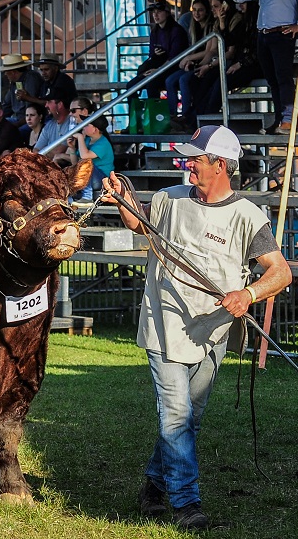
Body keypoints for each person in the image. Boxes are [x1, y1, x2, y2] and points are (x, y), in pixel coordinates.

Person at [103, 125, 290, 531]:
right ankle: (187, 502)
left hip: (215, 330)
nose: (187, 163)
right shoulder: (168, 198)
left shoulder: (248, 216)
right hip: (164, 322)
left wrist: (249, 295)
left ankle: (154, 484)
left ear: (220, 165)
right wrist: (121, 198)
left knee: (190, 419)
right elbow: (138, 225)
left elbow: (280, 272)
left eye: (196, 158)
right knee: (176, 414)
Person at [224, 0, 298, 132]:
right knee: (272, 79)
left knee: (283, 76)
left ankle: (289, 118)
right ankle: (279, 119)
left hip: (282, 32)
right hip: (263, 34)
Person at [125, 1, 190, 98]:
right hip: (157, 67)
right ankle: (135, 112)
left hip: (173, 67)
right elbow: (151, 55)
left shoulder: (177, 31)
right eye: (153, 12)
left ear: (167, 13)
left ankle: (156, 112)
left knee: (151, 84)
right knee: (130, 85)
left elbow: (174, 58)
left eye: (159, 12)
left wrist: (158, 70)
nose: (155, 15)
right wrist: (153, 60)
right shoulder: (155, 31)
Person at [164, 0, 215, 120]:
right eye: (194, 10)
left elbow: (208, 52)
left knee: (183, 80)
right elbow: (193, 48)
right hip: (193, 62)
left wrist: (188, 58)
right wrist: (188, 60)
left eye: (200, 10)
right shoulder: (193, 26)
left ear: (207, 12)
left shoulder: (212, 27)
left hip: (206, 63)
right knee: (169, 81)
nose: (197, 13)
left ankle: (186, 115)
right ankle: (172, 115)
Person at [64, 103, 113, 199]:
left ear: (95, 129)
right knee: (73, 169)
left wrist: (80, 137)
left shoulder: (103, 143)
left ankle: (87, 197)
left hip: (102, 179)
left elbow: (85, 157)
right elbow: (75, 163)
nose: (83, 126)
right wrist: (72, 148)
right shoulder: (87, 140)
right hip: (88, 179)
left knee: (87, 164)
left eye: (86, 125)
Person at [0, 53, 44, 123]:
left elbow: (31, 107)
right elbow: (7, 105)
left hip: (31, 121)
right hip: (19, 119)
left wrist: (15, 127)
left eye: (6, 71)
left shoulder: (31, 78)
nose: (5, 74)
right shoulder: (14, 82)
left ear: (13, 72)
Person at [34, 95, 76, 161]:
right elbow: (36, 150)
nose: (46, 105)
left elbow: (59, 151)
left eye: (49, 102)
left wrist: (42, 154)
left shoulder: (72, 122)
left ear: (59, 105)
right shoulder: (48, 125)